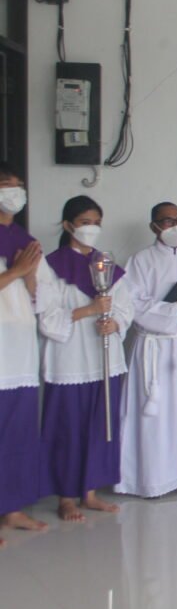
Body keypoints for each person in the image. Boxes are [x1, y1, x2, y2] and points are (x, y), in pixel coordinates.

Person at [38, 195, 133, 521]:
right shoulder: (50, 266)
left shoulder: (106, 263)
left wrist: (115, 322)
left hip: (104, 359)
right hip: (70, 360)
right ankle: (66, 496)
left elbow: (125, 306)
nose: (91, 228)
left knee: (99, 426)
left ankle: (89, 491)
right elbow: (47, 318)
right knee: (68, 428)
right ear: (68, 225)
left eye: (96, 223)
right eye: (84, 223)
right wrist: (89, 310)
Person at [115, 202, 177, 498]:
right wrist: (172, 310)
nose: (175, 226)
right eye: (167, 221)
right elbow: (130, 303)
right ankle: (147, 479)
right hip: (153, 346)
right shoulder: (140, 260)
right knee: (150, 413)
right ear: (154, 226)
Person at [0, 163, 51, 541]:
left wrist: (31, 278)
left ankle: (12, 509)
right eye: (6, 185)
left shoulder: (25, 239)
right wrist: (16, 271)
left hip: (20, 347)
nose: (15, 192)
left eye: (18, 185)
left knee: (18, 431)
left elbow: (40, 296)